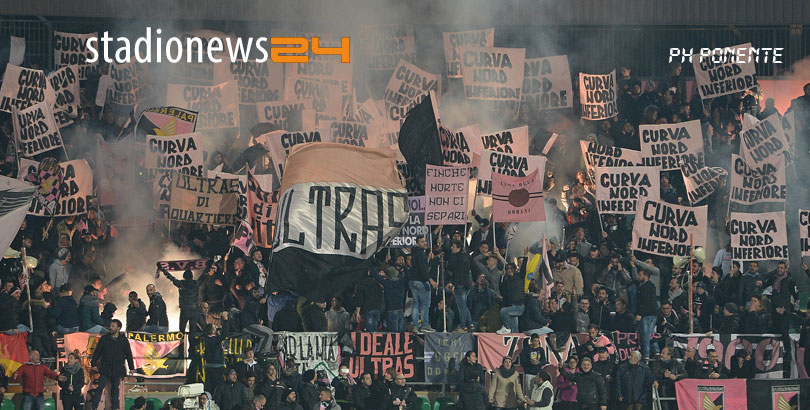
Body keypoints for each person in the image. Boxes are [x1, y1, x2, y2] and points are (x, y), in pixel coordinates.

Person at [91, 319, 134, 410]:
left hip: (117, 368)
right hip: (105, 367)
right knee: (100, 388)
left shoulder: (123, 340)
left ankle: (115, 408)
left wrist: (131, 368)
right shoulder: (104, 338)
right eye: (110, 326)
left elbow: (129, 354)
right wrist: (93, 364)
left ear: (118, 328)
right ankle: (94, 407)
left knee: (115, 390)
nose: (110, 328)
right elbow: (97, 352)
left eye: (113, 326)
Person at [161, 268, 203, 333]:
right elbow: (203, 276)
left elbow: (171, 278)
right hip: (194, 310)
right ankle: (192, 342)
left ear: (184, 276)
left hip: (184, 310)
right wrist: (209, 267)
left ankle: (181, 342)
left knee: (181, 331)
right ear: (192, 276)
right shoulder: (196, 284)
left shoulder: (181, 284)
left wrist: (163, 270)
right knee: (193, 331)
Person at [409, 236, 436, 332]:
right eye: (422, 241)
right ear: (417, 243)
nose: (425, 243)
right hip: (421, 282)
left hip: (412, 281)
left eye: (425, 241)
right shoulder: (421, 253)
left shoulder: (415, 253)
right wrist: (430, 280)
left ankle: (415, 326)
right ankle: (424, 326)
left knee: (416, 304)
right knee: (425, 304)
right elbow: (423, 269)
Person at [446, 240, 473, 330]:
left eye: (453, 246)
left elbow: (458, 273)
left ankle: (463, 326)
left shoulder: (459, 258)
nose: (451, 248)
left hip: (460, 284)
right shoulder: (466, 256)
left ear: (458, 247)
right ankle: (470, 323)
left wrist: (454, 284)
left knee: (461, 307)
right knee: (464, 305)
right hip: (466, 284)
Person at [204, 311, 231, 394]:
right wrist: (226, 320)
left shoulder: (207, 338)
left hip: (208, 366)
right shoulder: (214, 339)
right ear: (212, 330)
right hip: (217, 367)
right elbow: (225, 334)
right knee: (218, 386)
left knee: (209, 385)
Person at [496, 262, 526, 334]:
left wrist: (525, 255)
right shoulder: (507, 280)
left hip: (519, 305)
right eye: (508, 268)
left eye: (511, 268)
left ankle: (507, 327)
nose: (509, 270)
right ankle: (515, 340)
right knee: (514, 328)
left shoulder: (520, 276)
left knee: (503, 311)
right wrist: (501, 278)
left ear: (515, 269)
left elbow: (524, 268)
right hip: (511, 305)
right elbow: (502, 291)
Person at [635, 269, 658, 359]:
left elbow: (645, 302)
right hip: (653, 314)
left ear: (645, 275)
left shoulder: (644, 288)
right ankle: (656, 351)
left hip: (645, 315)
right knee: (651, 334)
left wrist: (640, 313)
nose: (638, 277)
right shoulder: (652, 286)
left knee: (645, 335)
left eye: (640, 275)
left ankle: (646, 355)